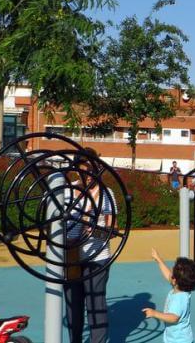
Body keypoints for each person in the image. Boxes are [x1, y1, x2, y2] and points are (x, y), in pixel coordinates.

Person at [63, 147, 116, 343]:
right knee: (73, 305)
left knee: (96, 304)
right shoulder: (68, 192)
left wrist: (96, 231)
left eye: (91, 169)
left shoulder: (106, 193)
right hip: (72, 256)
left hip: (97, 257)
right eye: (83, 169)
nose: (88, 174)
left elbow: (113, 229)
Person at [143, 248, 195, 343]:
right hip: (175, 338)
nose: (170, 273)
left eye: (172, 273)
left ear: (174, 281)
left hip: (179, 340)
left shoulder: (179, 298)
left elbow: (173, 318)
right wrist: (158, 259)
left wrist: (154, 313)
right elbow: (168, 274)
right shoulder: (183, 289)